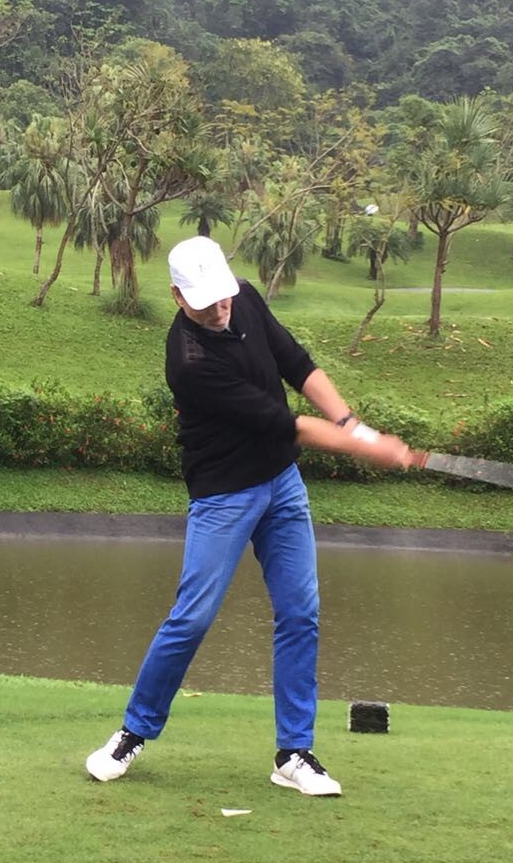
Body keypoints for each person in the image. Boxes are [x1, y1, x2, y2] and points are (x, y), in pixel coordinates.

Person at [85, 236, 416, 797]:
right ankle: (132, 733)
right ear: (177, 297)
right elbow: (284, 423)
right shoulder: (189, 362)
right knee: (192, 617)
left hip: (282, 485)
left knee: (300, 613)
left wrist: (353, 425)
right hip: (224, 495)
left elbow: (297, 364)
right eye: (204, 303)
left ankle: (294, 753)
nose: (220, 309)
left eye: (222, 296)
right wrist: (367, 448)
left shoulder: (243, 296)